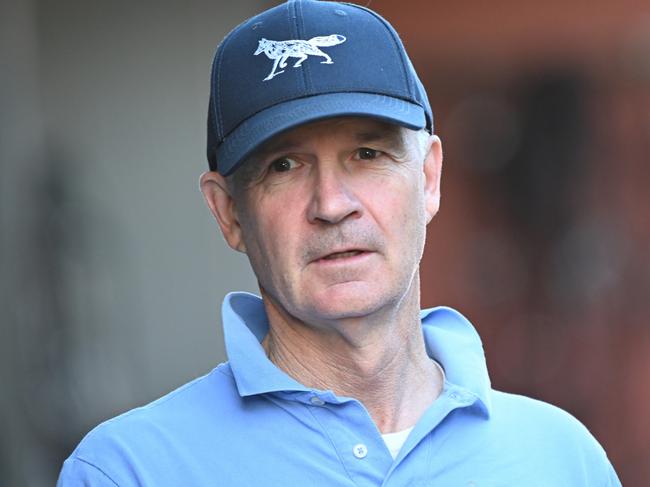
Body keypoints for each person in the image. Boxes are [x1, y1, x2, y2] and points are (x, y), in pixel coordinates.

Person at [58, 1, 621, 485]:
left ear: (428, 179)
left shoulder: (563, 461)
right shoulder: (130, 471)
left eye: (367, 155)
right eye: (284, 165)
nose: (331, 204)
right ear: (228, 212)